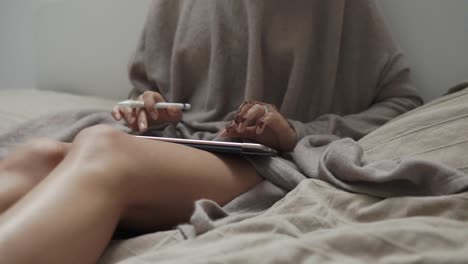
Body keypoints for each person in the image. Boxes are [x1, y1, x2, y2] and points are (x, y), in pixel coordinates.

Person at [0, 0, 422, 263]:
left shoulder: (337, 7)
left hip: (263, 162)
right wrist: (149, 108)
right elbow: (151, 89)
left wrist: (292, 131)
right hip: (179, 142)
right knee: (41, 153)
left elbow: (401, 102)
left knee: (102, 148)